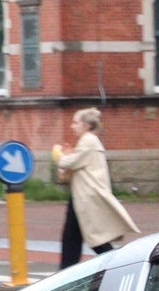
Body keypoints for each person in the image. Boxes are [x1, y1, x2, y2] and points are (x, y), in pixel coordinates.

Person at [51, 108, 140, 270]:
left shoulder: (88, 140)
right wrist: (68, 156)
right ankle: (66, 271)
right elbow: (72, 169)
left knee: (92, 240)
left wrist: (57, 153)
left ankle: (118, 266)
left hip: (86, 198)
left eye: (75, 123)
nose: (72, 126)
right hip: (81, 198)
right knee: (73, 237)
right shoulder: (88, 141)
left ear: (85, 125)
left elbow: (68, 163)